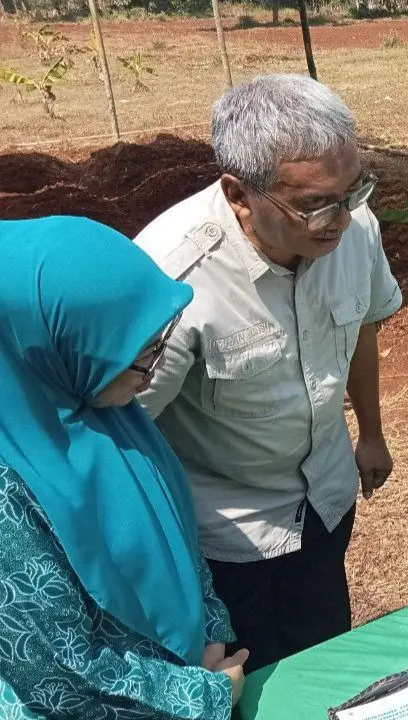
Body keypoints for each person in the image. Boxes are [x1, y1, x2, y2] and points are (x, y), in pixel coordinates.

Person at [134, 74, 403, 673]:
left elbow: (361, 326)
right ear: (238, 193)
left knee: (324, 653)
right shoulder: (173, 278)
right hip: (224, 533)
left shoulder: (356, 230)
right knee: (249, 679)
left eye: (352, 190)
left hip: (324, 500)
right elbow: (123, 425)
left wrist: (373, 433)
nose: (339, 219)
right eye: (313, 204)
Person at [0, 216, 249, 717]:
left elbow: (177, 535)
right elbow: (58, 675)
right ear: (51, 343)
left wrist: (211, 635)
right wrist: (205, 694)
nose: (151, 372)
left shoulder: (104, 408)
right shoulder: (10, 491)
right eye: (139, 357)